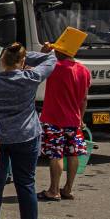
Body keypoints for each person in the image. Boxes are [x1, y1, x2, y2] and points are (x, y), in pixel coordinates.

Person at [0, 43, 57, 219]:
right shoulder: (30, 78)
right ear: (23, 61)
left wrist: (11, 55)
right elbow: (51, 59)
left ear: (2, 61)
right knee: (26, 182)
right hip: (26, 135)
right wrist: (29, 56)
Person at [38, 42, 91, 201]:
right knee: (73, 153)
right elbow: (84, 99)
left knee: (56, 154)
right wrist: (80, 118)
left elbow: (37, 65)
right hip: (74, 119)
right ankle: (68, 189)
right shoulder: (84, 70)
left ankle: (53, 190)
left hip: (54, 118)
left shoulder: (55, 66)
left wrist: (44, 52)